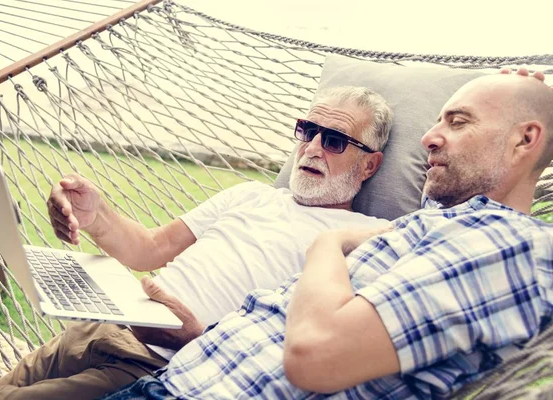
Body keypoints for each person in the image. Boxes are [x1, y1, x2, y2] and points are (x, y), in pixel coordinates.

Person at [100, 71, 553, 400]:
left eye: (458, 121)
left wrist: (328, 244)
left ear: (523, 140)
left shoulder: (507, 242)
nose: (428, 138)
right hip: (181, 376)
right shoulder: (439, 224)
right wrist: (525, 100)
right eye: (308, 133)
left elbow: (315, 353)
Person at [0, 86, 393, 400]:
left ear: (370, 163)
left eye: (334, 140)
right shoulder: (251, 194)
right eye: (308, 131)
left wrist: (199, 336)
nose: (312, 148)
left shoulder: (364, 239)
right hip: (99, 324)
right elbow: (150, 249)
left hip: (159, 364)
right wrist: (96, 217)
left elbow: (310, 349)